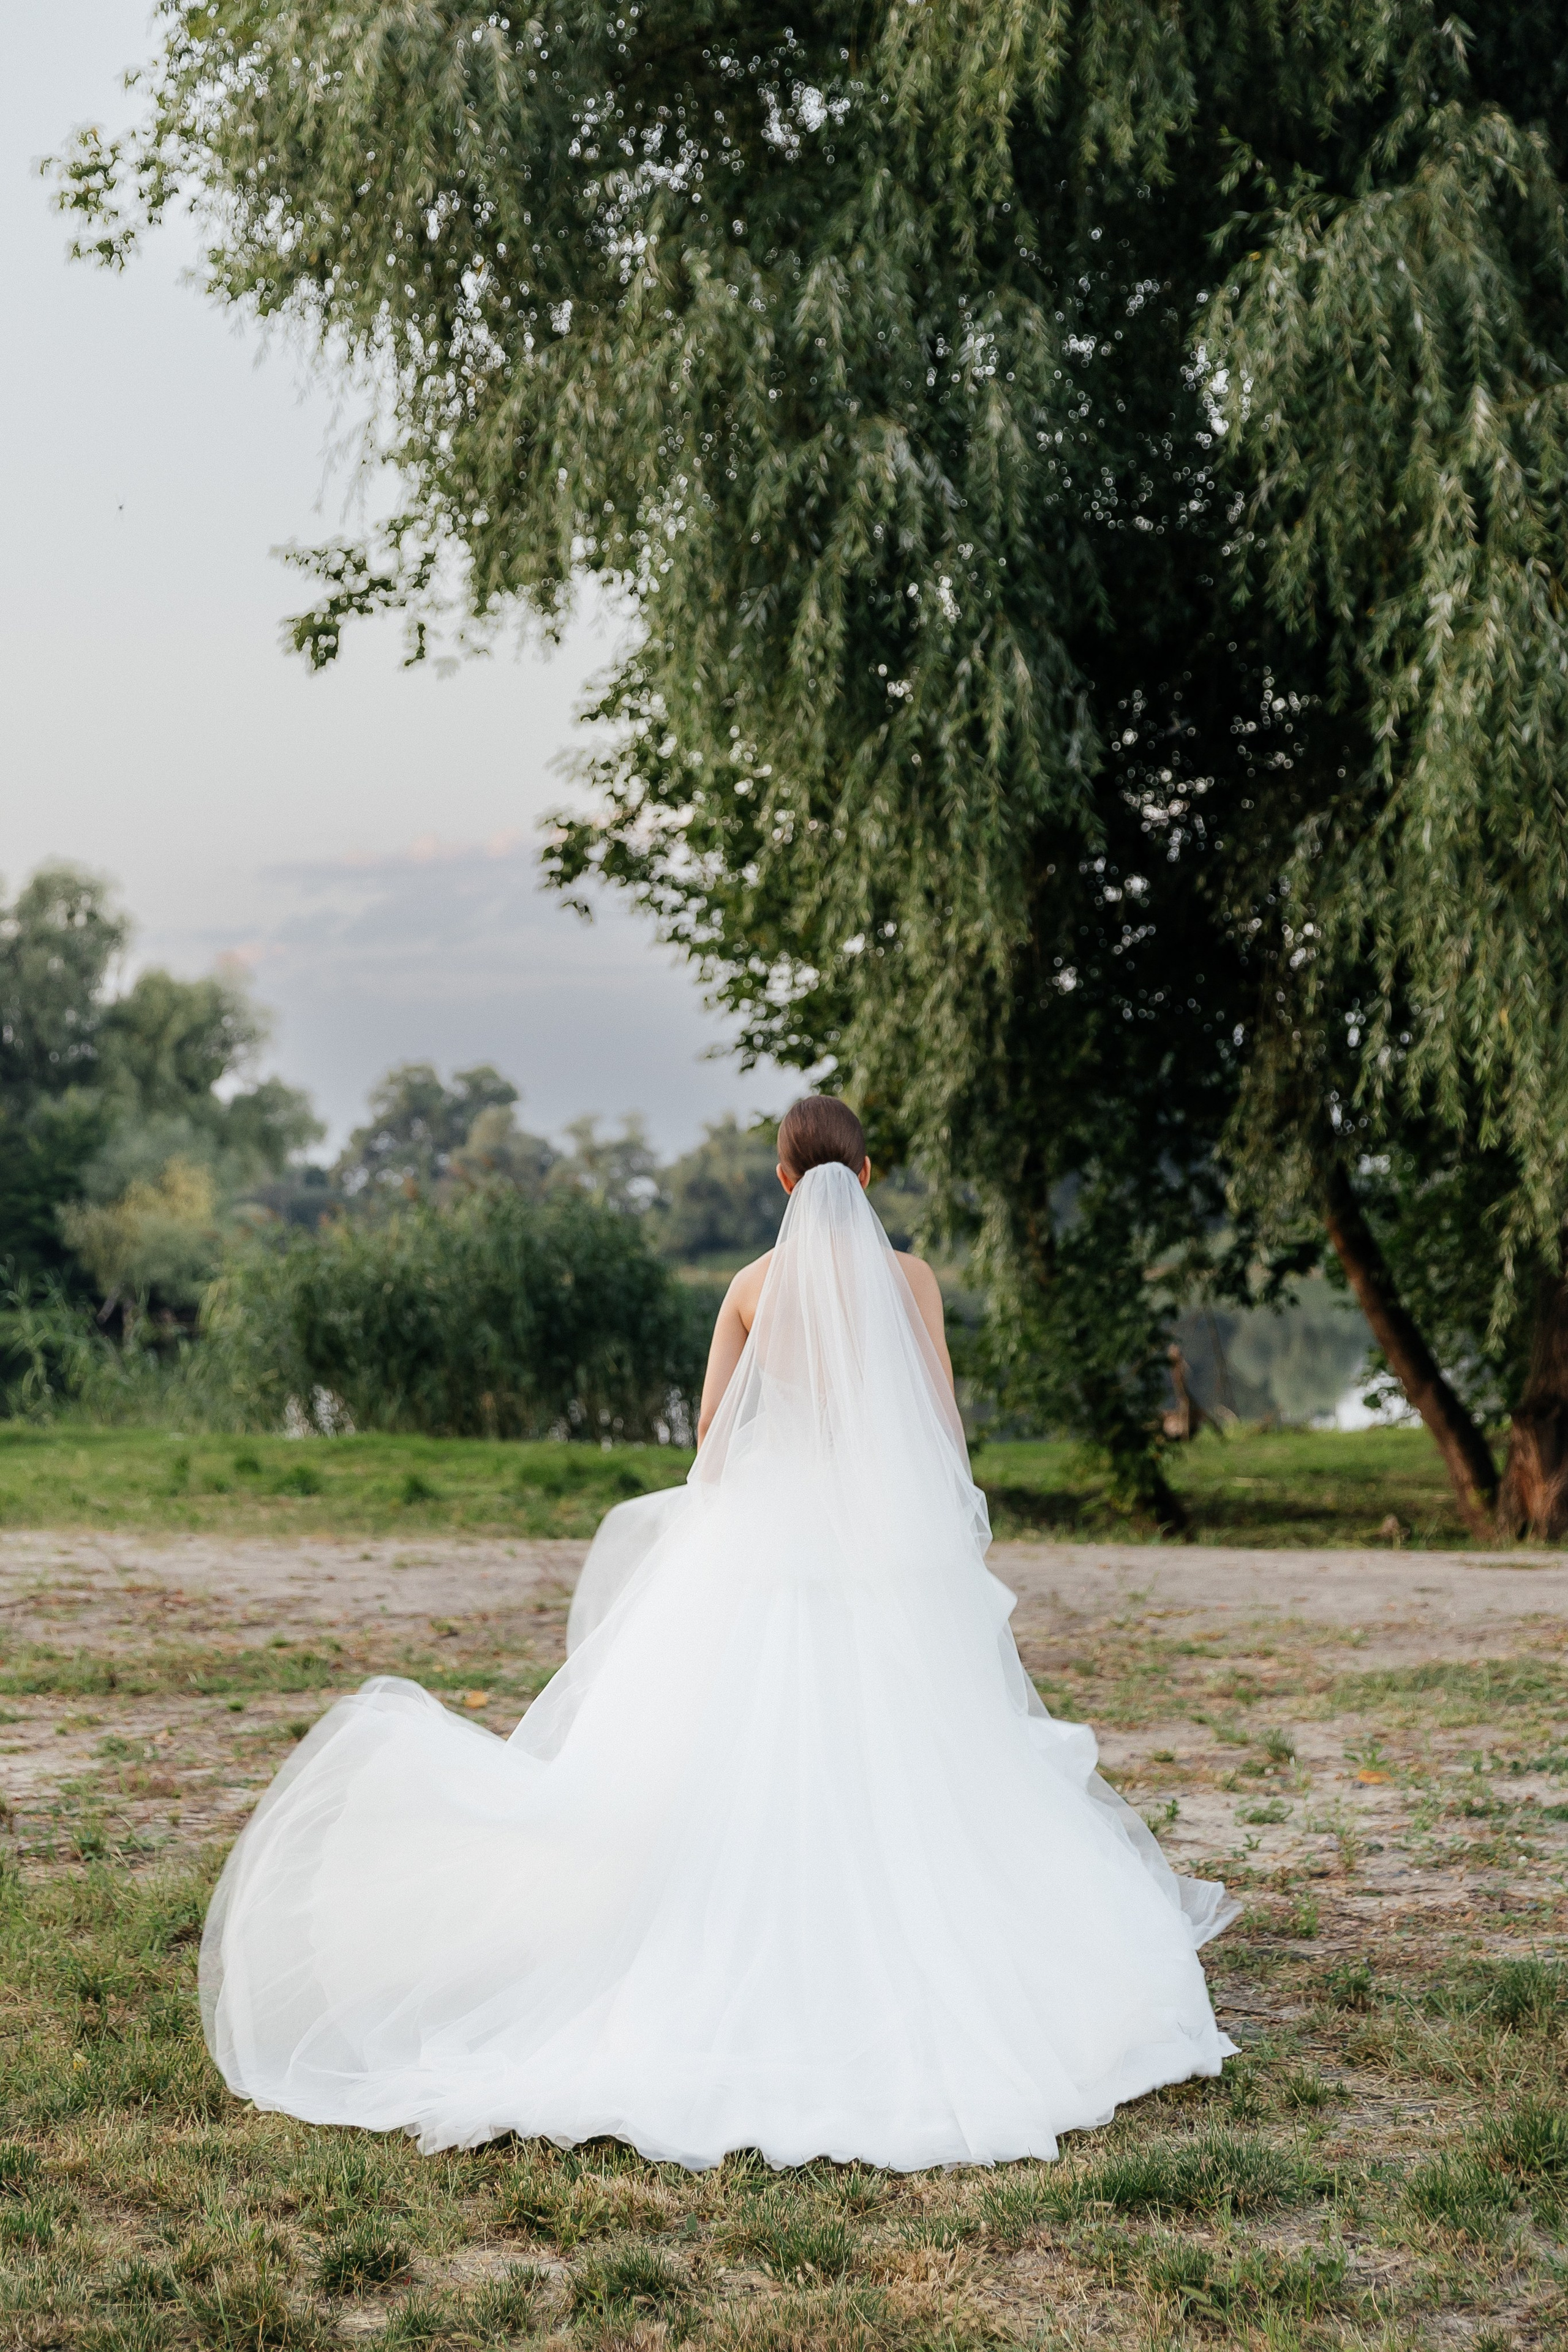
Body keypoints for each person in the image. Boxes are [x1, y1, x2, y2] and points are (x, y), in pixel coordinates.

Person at [202, 1095, 1235, 2171]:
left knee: (736, 1744)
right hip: (883, 1551)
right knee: (912, 1747)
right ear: (868, 1176)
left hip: (773, 1542)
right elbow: (938, 1419)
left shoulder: (750, 1287)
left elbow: (710, 1433)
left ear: (784, 1182)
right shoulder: (912, 1280)